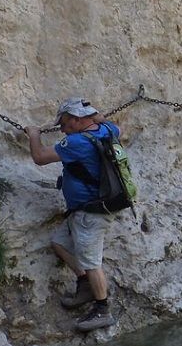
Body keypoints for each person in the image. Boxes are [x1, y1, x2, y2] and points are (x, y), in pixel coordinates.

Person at [25, 98, 118, 332]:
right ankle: (85, 284)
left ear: (78, 120)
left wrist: (34, 135)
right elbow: (115, 126)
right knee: (59, 243)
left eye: (65, 123)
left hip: (91, 213)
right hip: (85, 211)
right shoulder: (107, 129)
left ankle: (102, 309)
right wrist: (97, 116)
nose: (62, 128)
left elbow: (39, 158)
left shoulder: (76, 142)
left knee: (92, 262)